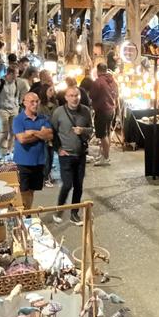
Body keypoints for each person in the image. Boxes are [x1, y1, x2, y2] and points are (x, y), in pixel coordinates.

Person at [51, 86, 93, 225]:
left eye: (76, 95)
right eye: (71, 95)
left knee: (78, 185)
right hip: (66, 155)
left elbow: (91, 130)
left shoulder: (86, 111)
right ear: (66, 97)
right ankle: (60, 209)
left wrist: (83, 131)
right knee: (67, 184)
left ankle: (74, 213)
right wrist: (58, 149)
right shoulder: (59, 112)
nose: (74, 98)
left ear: (80, 96)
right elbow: (53, 132)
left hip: (80, 154)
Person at [13, 92, 54, 209]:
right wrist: (41, 133)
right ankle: (23, 213)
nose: (35, 104)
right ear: (25, 103)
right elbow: (22, 139)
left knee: (31, 190)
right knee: (23, 191)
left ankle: (27, 212)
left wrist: (32, 132)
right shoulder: (18, 119)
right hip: (23, 162)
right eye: (32, 102)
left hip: (39, 161)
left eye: (37, 101)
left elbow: (49, 136)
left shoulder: (44, 118)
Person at [0, 63, 29, 160]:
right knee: (4, 130)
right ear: (10, 73)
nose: (17, 75)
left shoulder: (16, 82)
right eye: (16, 73)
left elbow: (21, 91)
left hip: (13, 109)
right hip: (2, 109)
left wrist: (18, 104)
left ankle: (9, 151)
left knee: (13, 131)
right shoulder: (0, 82)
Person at [88, 63, 118, 166]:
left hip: (102, 110)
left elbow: (92, 95)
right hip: (111, 110)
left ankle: (105, 157)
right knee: (108, 133)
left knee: (102, 134)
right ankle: (105, 154)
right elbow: (117, 94)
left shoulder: (98, 82)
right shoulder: (113, 80)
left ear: (98, 71)